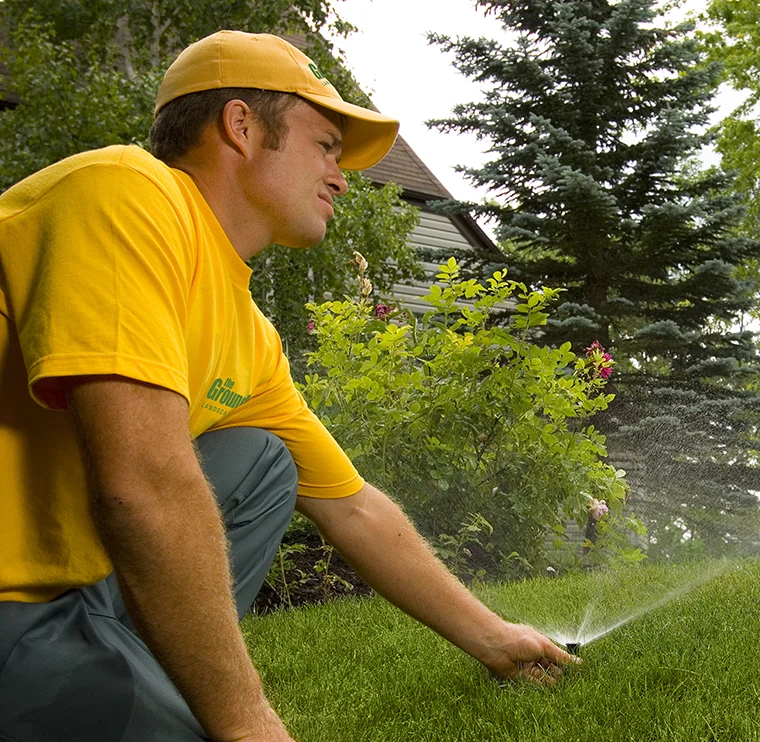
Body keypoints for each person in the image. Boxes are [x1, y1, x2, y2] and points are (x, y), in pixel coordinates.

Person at [0, 30, 576, 742]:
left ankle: (131, 664)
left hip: (78, 594)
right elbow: (141, 483)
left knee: (263, 460)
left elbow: (354, 510)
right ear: (241, 126)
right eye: (326, 146)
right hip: (12, 601)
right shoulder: (124, 193)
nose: (342, 176)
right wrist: (246, 724)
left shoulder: (247, 333)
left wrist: (493, 637)